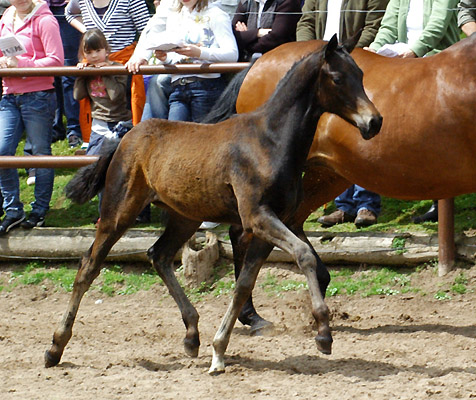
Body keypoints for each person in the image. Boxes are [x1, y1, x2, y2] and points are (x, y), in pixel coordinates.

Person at [365, 0, 460, 223]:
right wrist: (375, 49)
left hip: (436, 59)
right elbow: (387, 27)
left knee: (436, 133)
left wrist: (414, 51)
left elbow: (438, 24)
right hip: (403, 61)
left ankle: (441, 202)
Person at [296, 0, 389, 227]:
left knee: (361, 136)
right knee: (334, 137)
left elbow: (373, 25)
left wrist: (342, 52)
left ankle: (366, 204)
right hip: (324, 68)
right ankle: (344, 206)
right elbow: (305, 22)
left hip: (354, 64)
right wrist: (314, 52)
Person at [0, 0, 64, 234]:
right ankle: (13, 210)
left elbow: (56, 60)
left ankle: (39, 211)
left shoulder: (46, 20)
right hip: (9, 95)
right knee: (1, 151)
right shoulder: (6, 17)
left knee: (40, 154)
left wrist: (22, 64)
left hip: (38, 95)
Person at [65, 0, 150, 146]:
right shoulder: (82, 1)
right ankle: (94, 139)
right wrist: (89, 34)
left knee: (125, 103)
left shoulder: (131, 1)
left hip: (125, 65)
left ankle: (130, 141)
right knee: (94, 100)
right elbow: (69, 13)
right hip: (93, 65)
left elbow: (147, 31)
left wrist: (139, 57)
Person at [232, 0, 302, 61]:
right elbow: (232, 35)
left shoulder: (287, 2)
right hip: (247, 62)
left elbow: (276, 39)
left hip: (278, 62)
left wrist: (246, 41)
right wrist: (258, 32)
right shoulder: (246, 2)